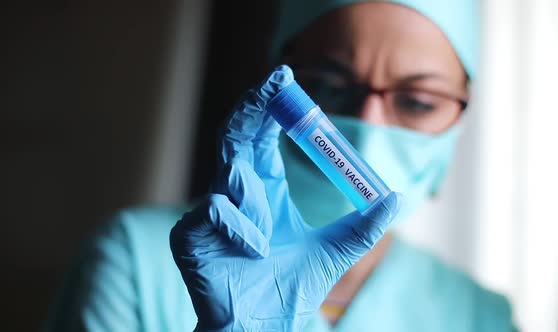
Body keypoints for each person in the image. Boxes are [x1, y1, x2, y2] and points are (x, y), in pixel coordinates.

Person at [46, 0, 517, 331]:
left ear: (460, 120)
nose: (367, 129)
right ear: (282, 83)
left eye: (416, 102)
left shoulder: (481, 318)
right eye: (330, 87)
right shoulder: (138, 261)